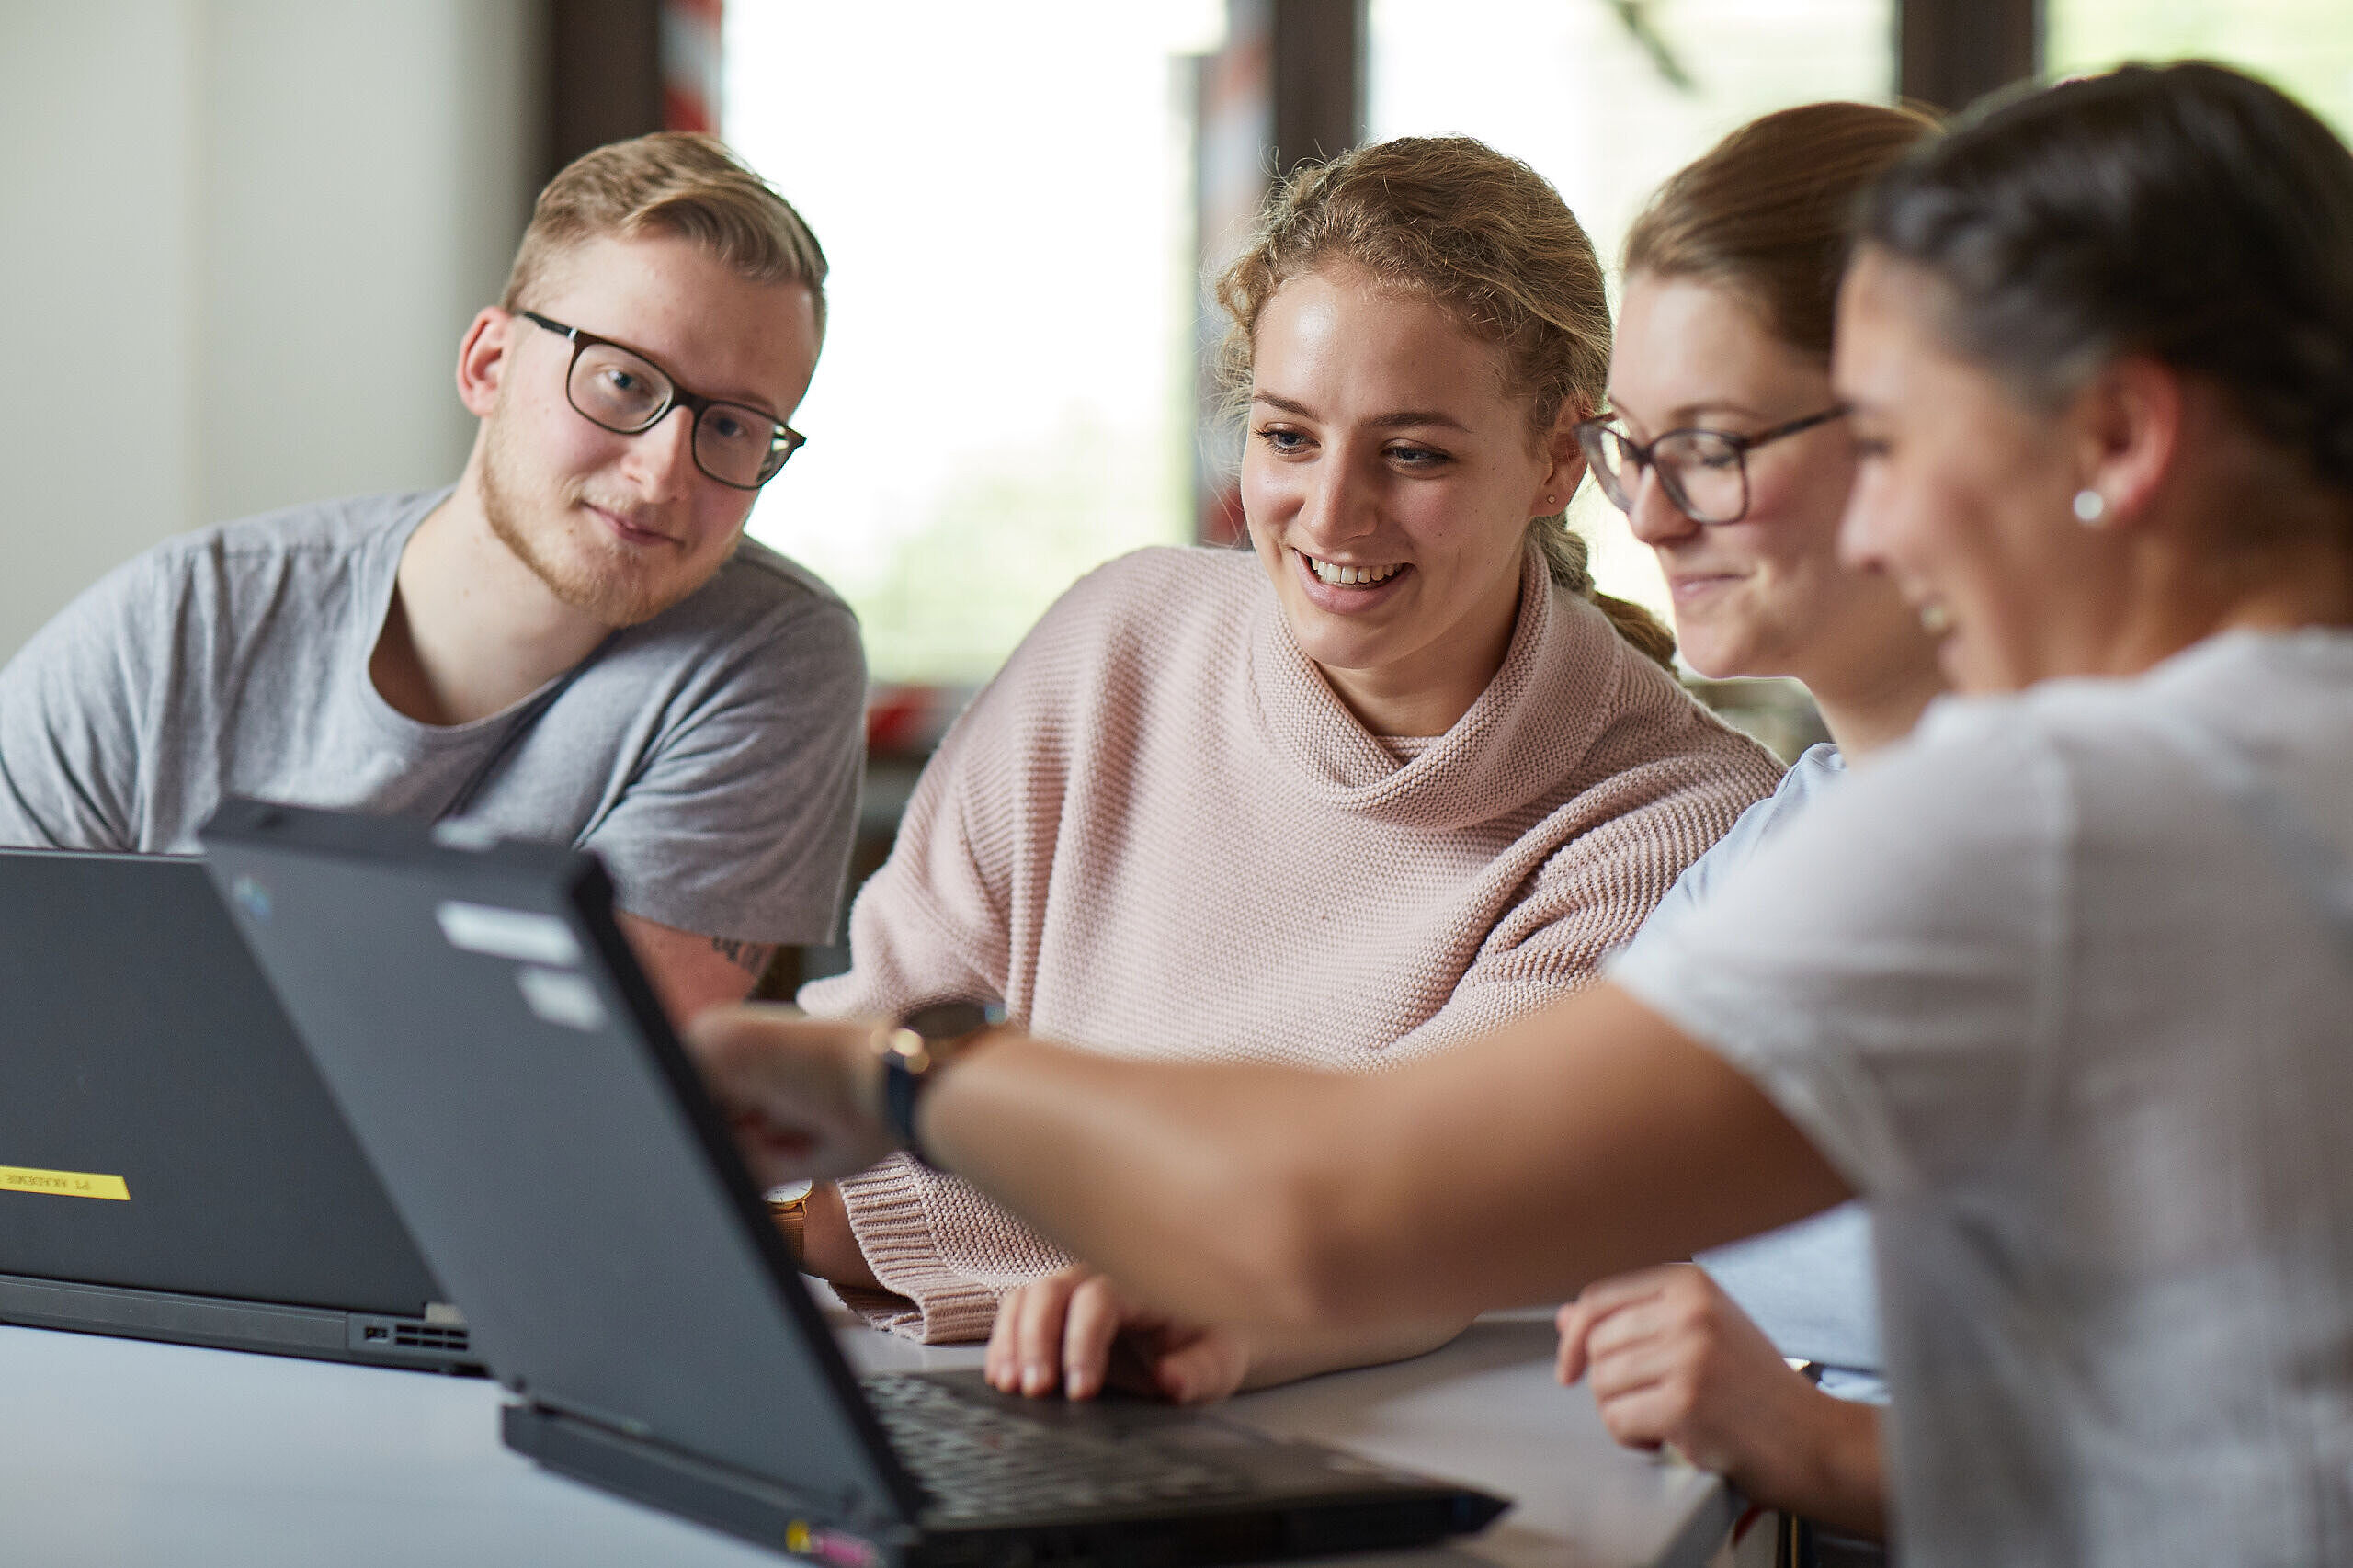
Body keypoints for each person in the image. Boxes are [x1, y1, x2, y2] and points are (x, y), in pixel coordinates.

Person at [689, 62, 2353, 1568]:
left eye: (1905, 440)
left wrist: (885, 1079)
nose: (1888, 518)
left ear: (2121, 438)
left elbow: (1342, 1205)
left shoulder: (2063, 813)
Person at [780, 135, 1783, 1365]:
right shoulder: (1120, 639)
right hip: (938, 1369)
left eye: (1413, 454)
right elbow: (860, 1058)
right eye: (1289, 436)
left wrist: (834, 1214)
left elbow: (1386, 1201)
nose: (1332, 512)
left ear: (1560, 459)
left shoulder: (1678, 826)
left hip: (1408, 1446)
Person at [0, 133, 866, 1020]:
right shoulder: (182, 622)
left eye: (733, 429)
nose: (663, 474)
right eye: (621, 381)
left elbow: (574, 1084)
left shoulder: (767, 651)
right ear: (488, 364)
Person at [1548, 101, 1942, 1547]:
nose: (1646, 518)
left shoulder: (2144, 847)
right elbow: (1530, 1167)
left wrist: (1821, 1443)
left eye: (1708, 447)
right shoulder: (1797, 831)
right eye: (1625, 447)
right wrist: (1244, 1310)